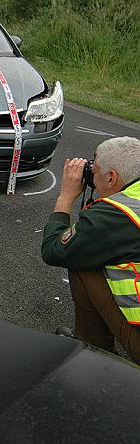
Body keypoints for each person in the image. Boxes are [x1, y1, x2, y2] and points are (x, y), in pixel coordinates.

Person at [41, 136, 140, 362]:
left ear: (111, 177)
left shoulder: (116, 214)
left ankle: (95, 357)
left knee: (82, 262)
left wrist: (66, 197)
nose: (89, 176)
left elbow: (54, 250)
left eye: (93, 171)